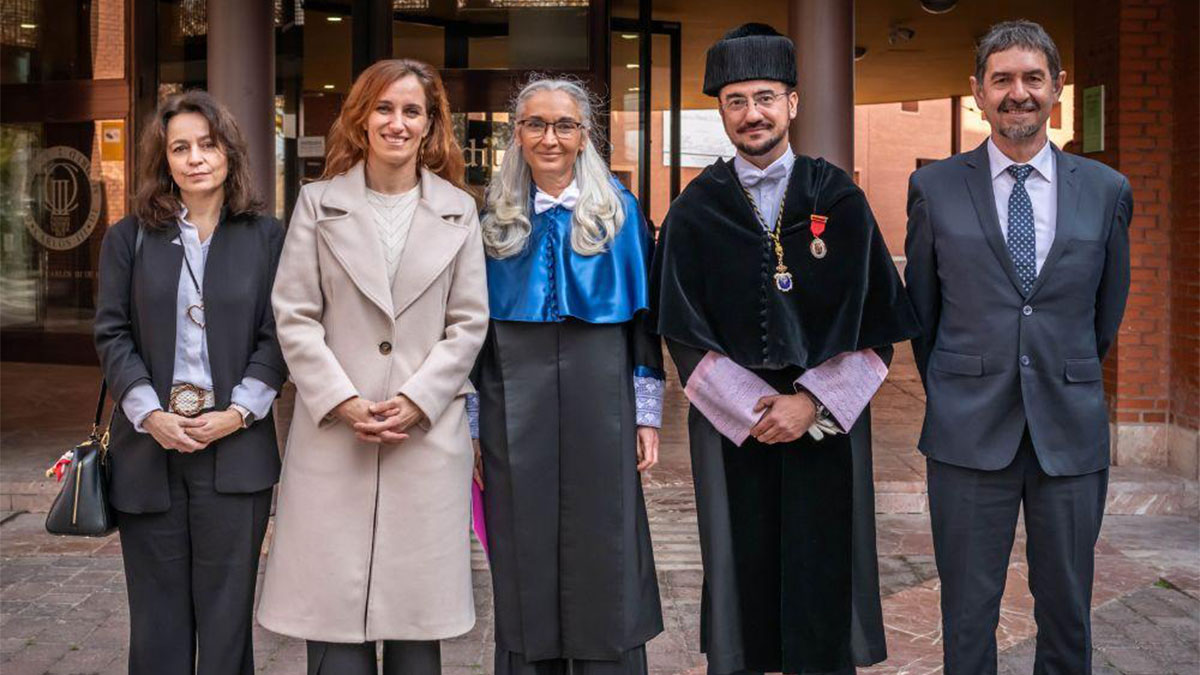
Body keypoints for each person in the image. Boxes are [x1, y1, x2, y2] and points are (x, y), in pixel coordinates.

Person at [650, 23, 920, 675]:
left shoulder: (839, 198)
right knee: (741, 591)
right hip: (732, 429)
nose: (752, 113)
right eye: (736, 100)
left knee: (823, 581)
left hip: (827, 426)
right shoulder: (696, 209)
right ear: (721, 110)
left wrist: (810, 403)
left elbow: (879, 323)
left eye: (765, 96)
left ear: (792, 103)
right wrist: (755, 409)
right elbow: (682, 333)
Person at [903, 20, 1132, 675]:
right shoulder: (935, 188)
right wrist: (961, 383)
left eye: (1033, 78)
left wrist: (1063, 371)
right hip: (967, 431)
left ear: (1057, 88)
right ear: (978, 91)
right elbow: (924, 313)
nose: (1018, 93)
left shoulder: (1108, 191)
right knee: (968, 614)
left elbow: (1105, 315)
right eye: (1001, 78)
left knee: (1066, 611)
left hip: (1070, 430)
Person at [257, 59, 489, 675]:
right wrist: (342, 399)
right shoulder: (315, 204)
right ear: (361, 120)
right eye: (384, 108)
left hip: (424, 438)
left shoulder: (460, 210)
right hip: (337, 438)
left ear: (430, 124)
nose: (397, 122)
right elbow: (295, 315)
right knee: (334, 636)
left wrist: (418, 399)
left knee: (418, 637)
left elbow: (469, 324)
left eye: (412, 110)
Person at [472, 76, 664, 675]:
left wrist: (646, 413)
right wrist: (474, 424)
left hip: (601, 396)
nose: (549, 137)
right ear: (517, 135)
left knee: (605, 540)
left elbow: (643, 321)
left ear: (585, 136)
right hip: (511, 399)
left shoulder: (624, 211)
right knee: (521, 543)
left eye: (564, 125)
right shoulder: (489, 217)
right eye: (535, 124)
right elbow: (471, 334)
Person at [93, 90, 287, 675]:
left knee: (228, 620)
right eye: (180, 147)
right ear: (165, 159)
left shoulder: (267, 238)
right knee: (156, 621)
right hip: (149, 449)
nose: (195, 158)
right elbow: (112, 333)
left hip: (236, 450)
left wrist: (239, 412)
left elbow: (279, 335)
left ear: (229, 151)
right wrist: (150, 414)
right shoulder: (128, 238)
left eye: (207, 144)